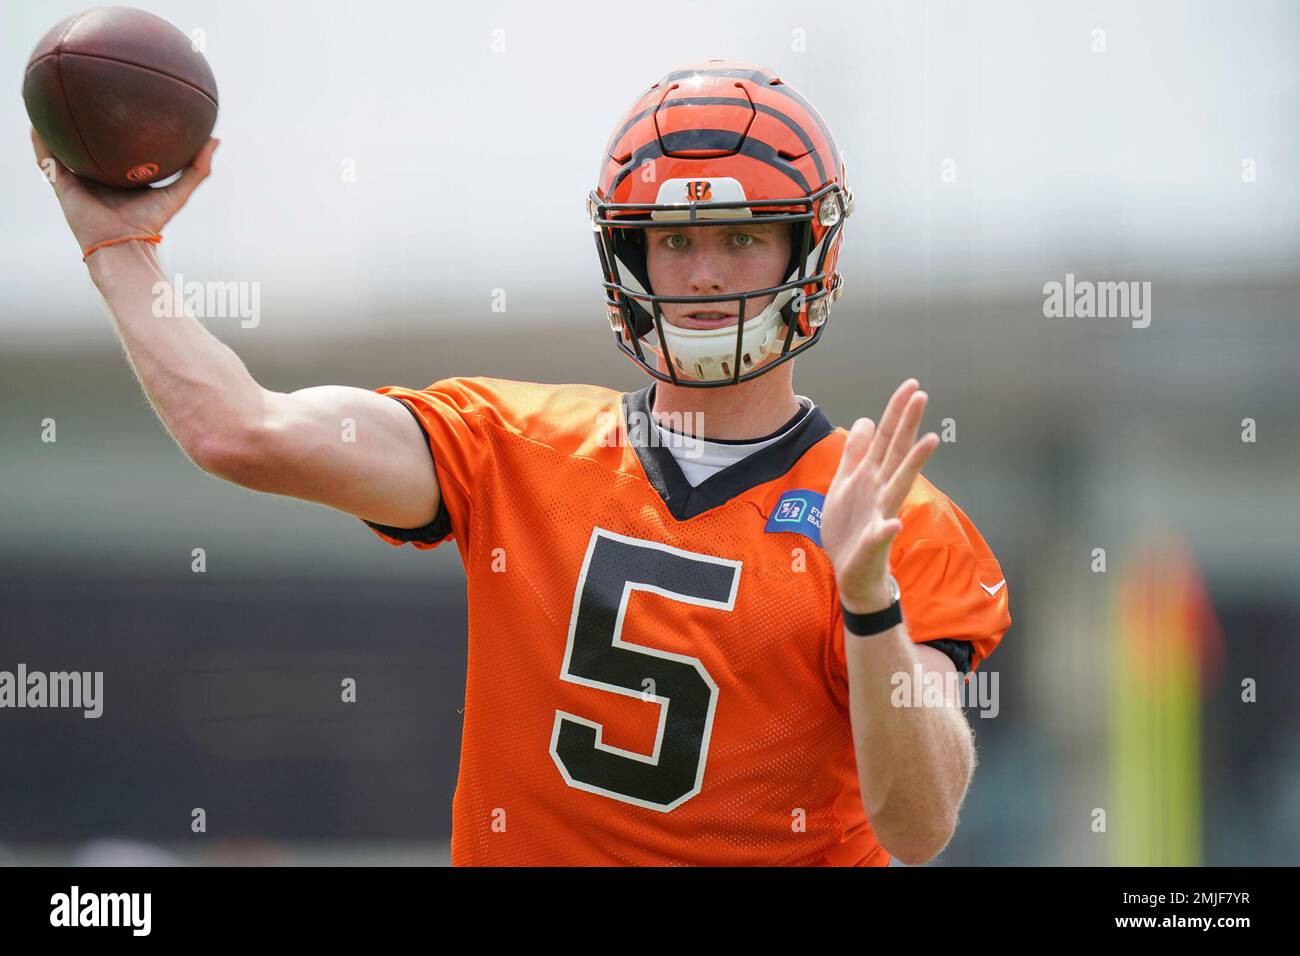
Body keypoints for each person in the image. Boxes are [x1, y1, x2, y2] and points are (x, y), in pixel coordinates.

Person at [33, 59, 1010, 866]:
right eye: (673, 241)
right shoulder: (511, 445)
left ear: (809, 250)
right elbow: (243, 431)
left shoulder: (889, 514)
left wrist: (867, 602)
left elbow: (917, 826)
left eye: (742, 238)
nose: (705, 272)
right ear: (628, 259)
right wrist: (120, 248)